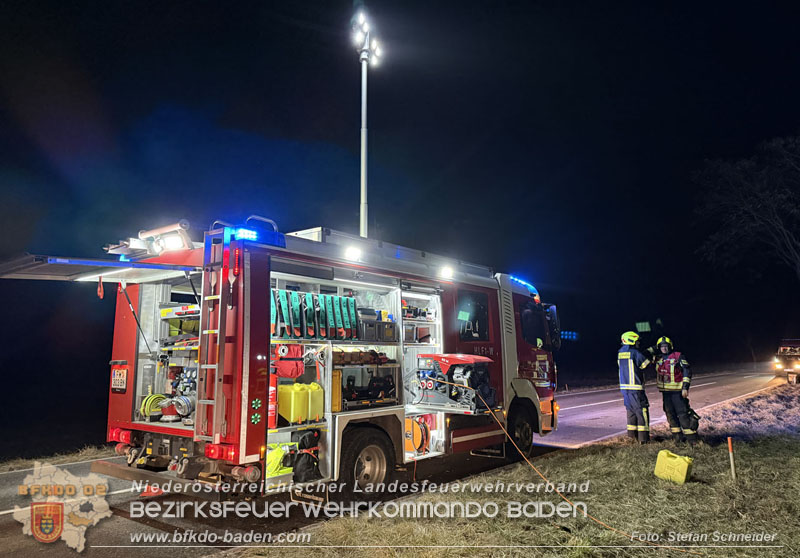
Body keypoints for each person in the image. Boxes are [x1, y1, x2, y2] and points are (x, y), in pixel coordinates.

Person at [655, 336, 699, 444]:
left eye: (666, 346)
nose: (664, 348)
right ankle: (678, 439)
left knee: (683, 415)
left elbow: (687, 371)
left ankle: (692, 441)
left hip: (677, 393)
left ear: (670, 346)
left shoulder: (678, 356)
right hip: (666, 394)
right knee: (670, 415)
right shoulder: (658, 359)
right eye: (661, 346)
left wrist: (685, 387)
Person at [618, 331, 651, 443]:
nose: (638, 343)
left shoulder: (620, 353)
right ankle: (643, 440)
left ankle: (631, 438)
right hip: (636, 389)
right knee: (642, 412)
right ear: (631, 340)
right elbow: (645, 364)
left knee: (631, 413)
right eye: (637, 341)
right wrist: (649, 354)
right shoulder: (634, 353)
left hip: (625, 389)